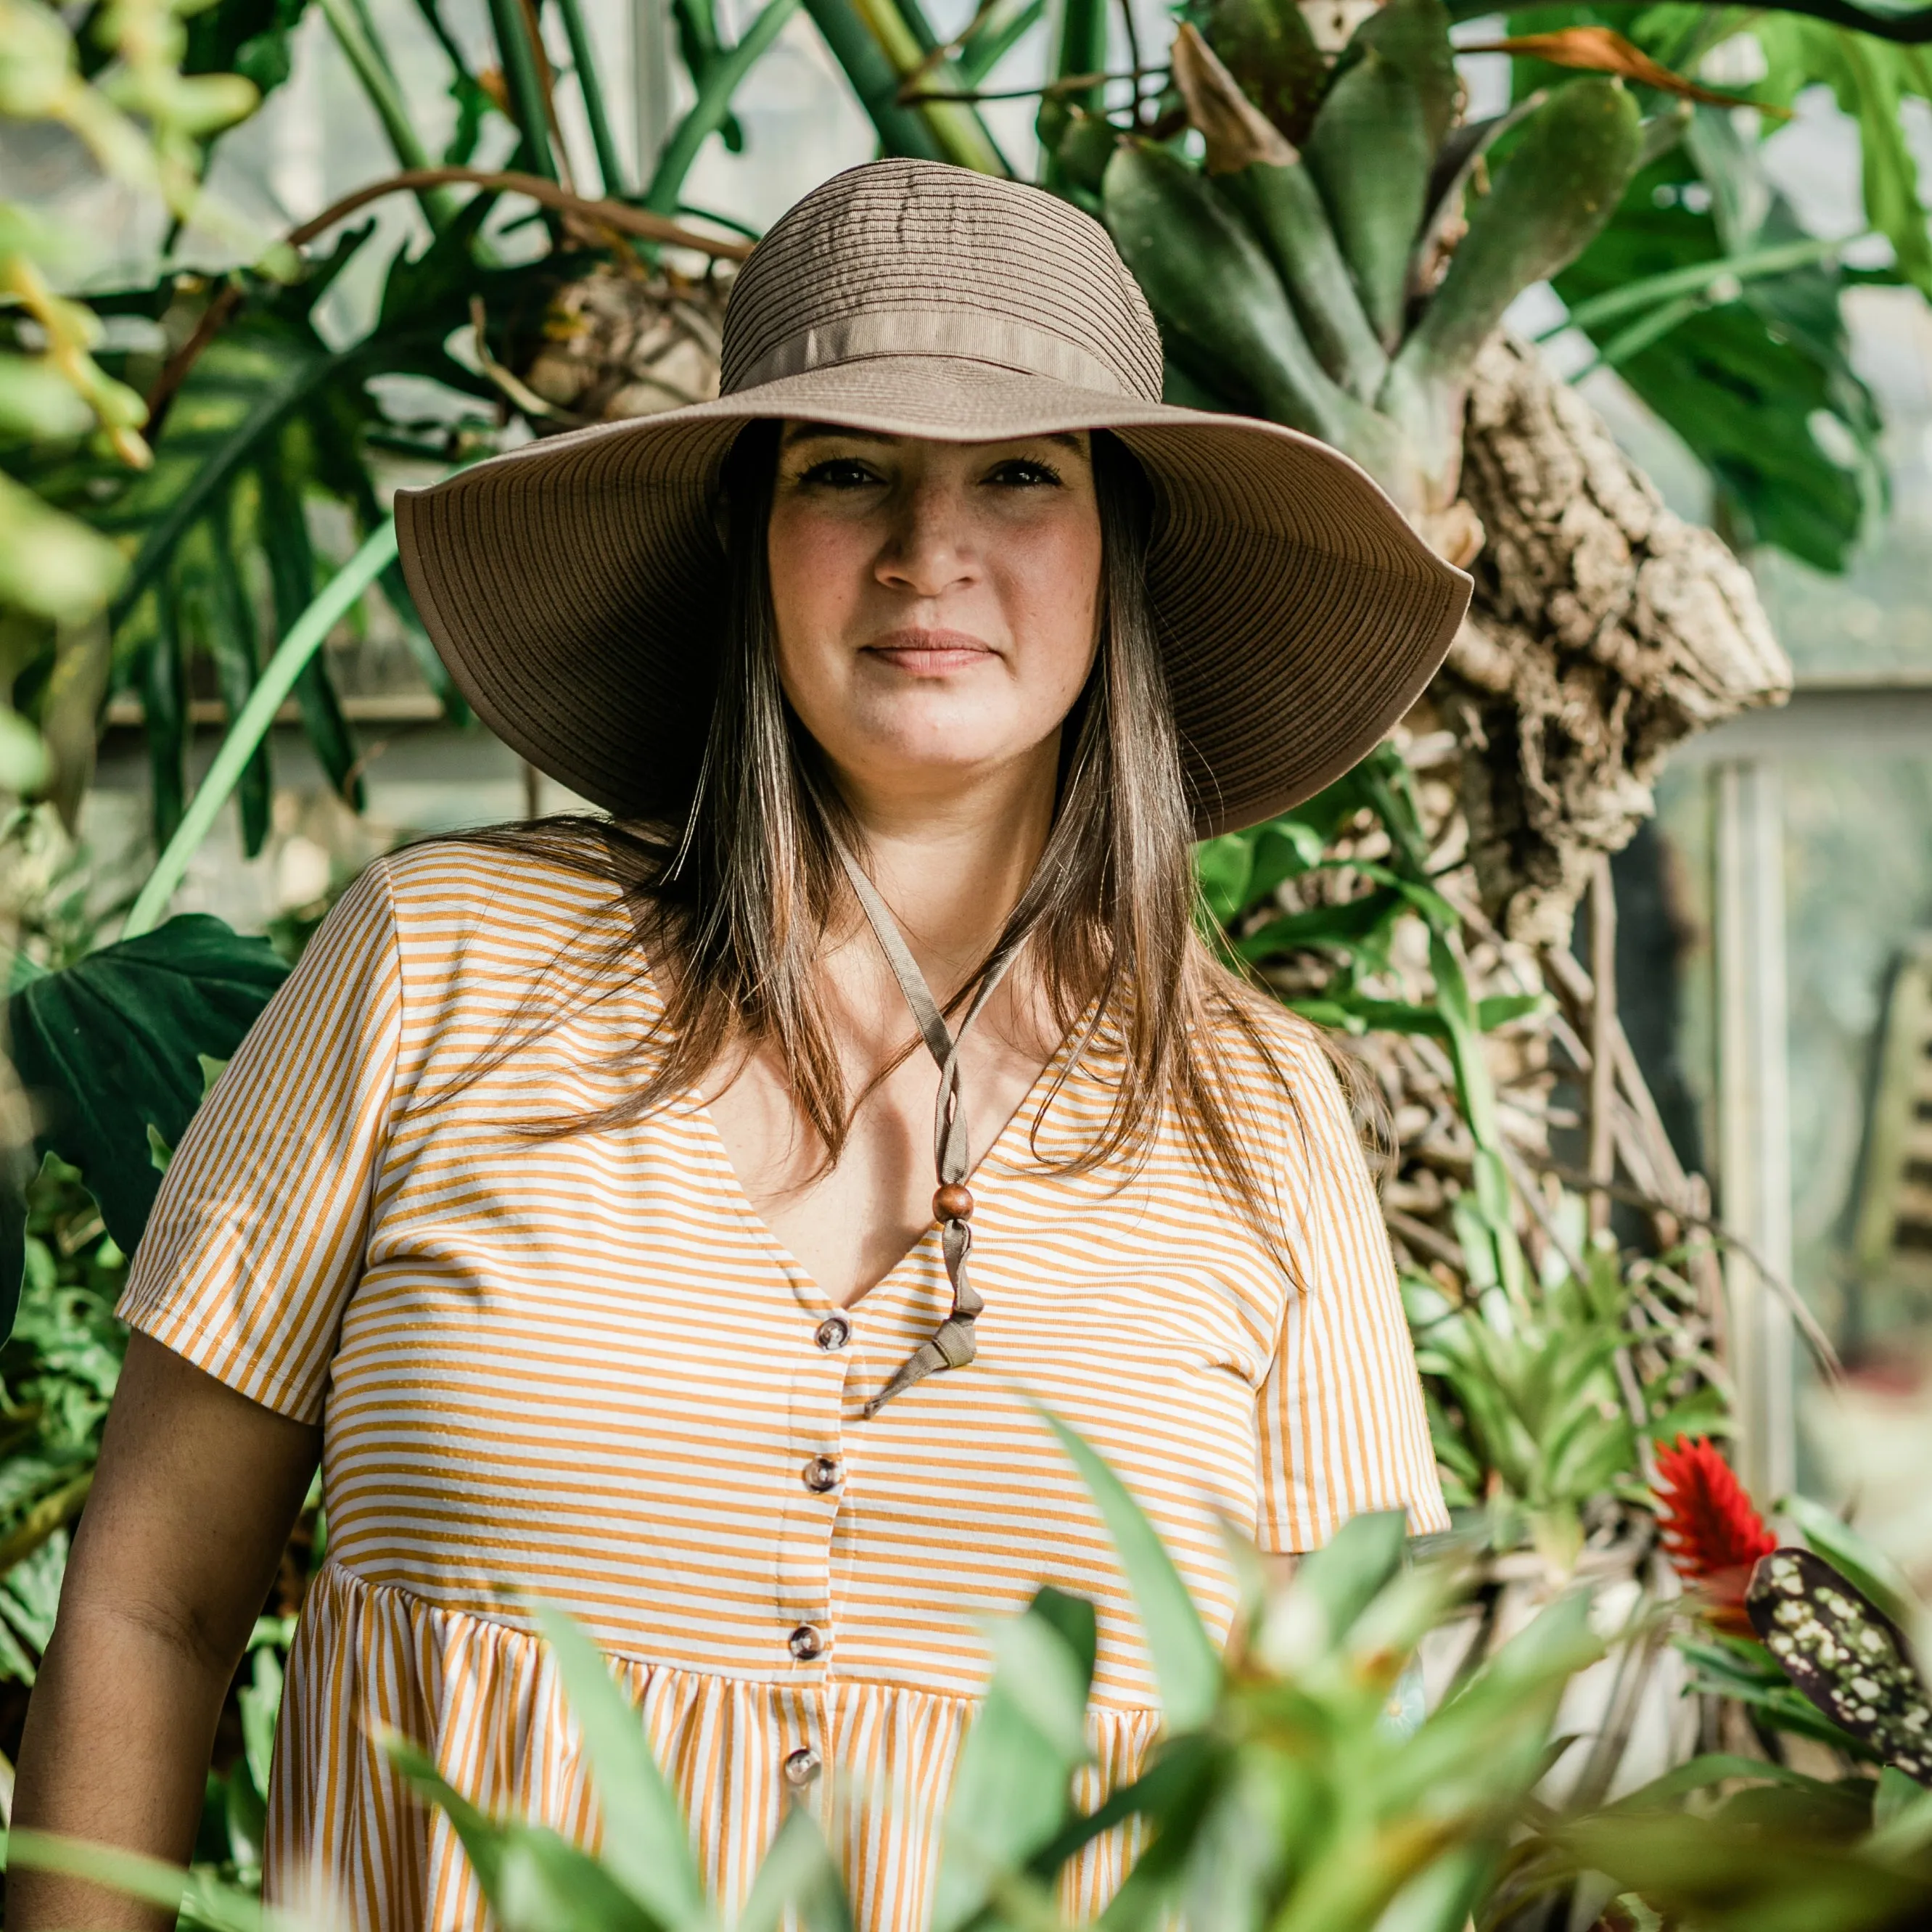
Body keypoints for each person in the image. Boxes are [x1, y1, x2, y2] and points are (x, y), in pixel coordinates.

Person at [10, 160, 1469, 1931]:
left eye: (1023, 473)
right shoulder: (434, 967)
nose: (930, 552)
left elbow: (1350, 1777)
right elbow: (151, 1605)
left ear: (1119, 549)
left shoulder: (1253, 1110)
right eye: (842, 469)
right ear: (740, 534)